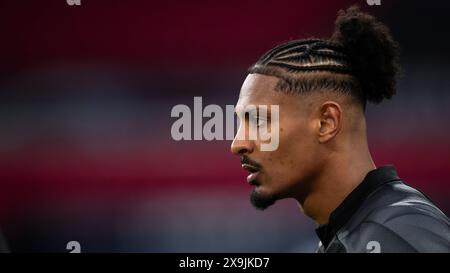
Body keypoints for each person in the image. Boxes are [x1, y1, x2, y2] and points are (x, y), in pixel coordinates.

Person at [230, 6, 450, 253]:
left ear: (327, 123)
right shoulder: (355, 235)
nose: (238, 143)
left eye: (259, 121)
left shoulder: (393, 234)